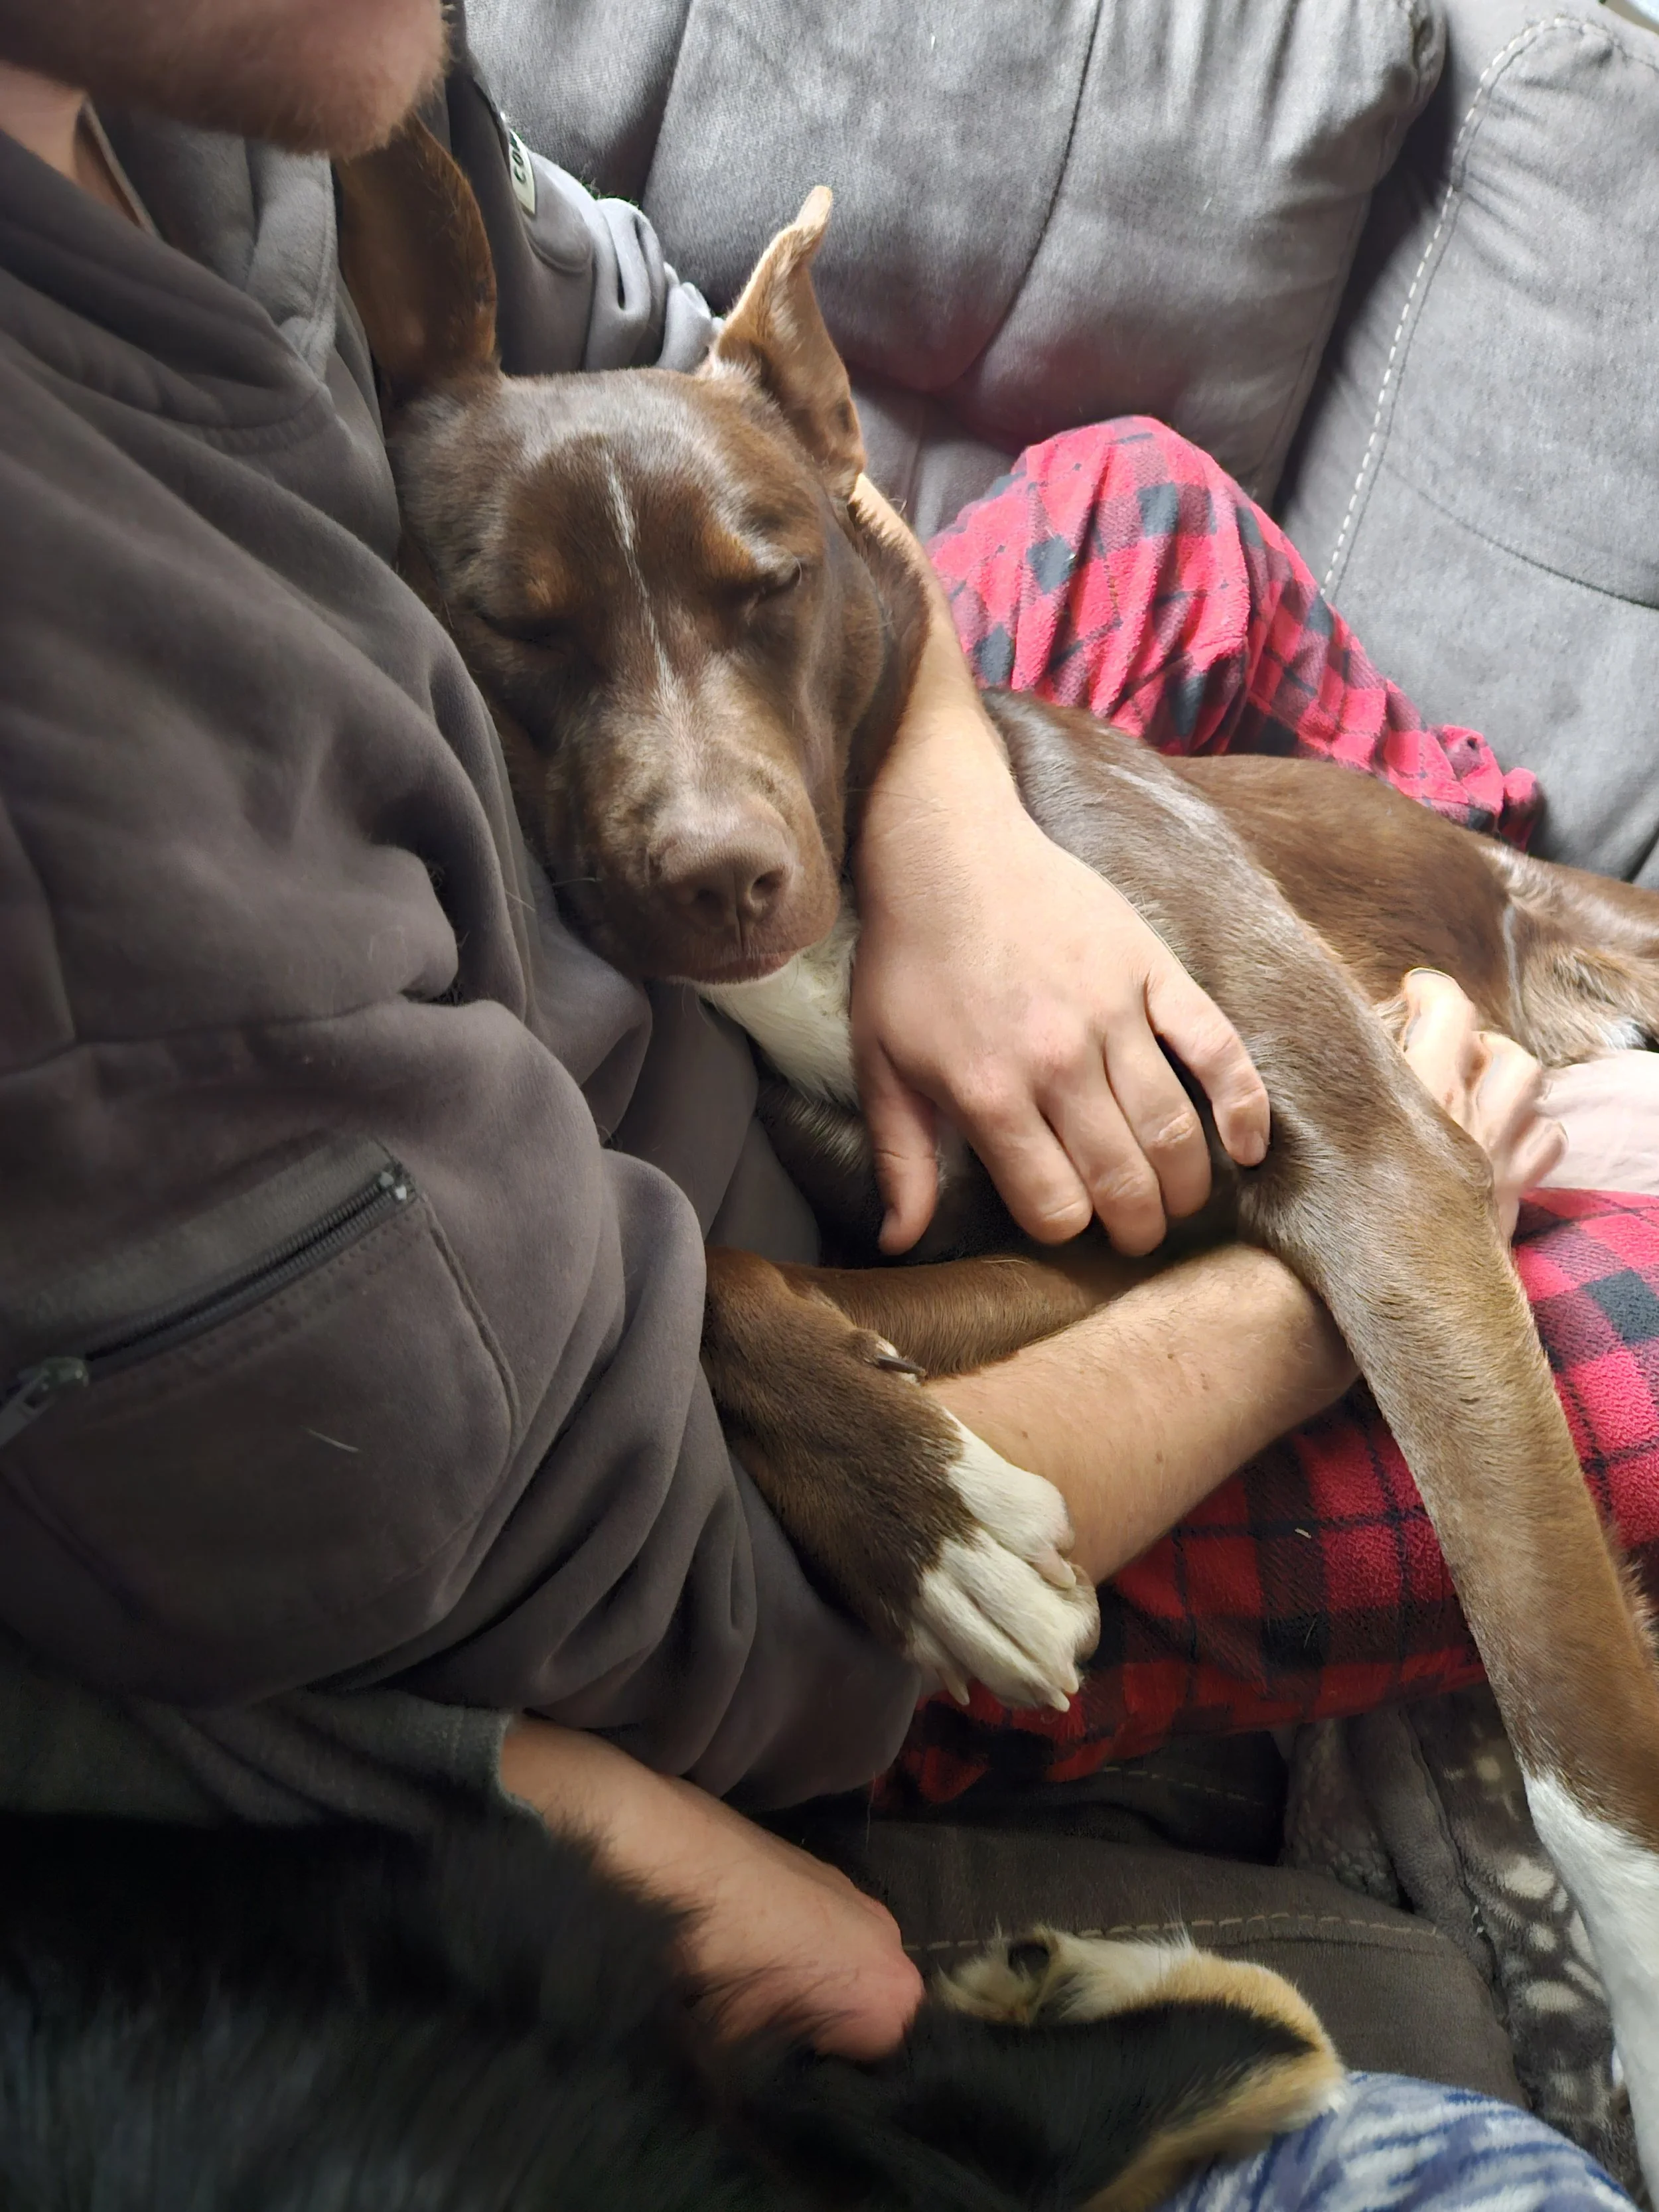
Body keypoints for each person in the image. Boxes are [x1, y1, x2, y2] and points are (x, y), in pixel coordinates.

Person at [0, 0, 1650, 2099]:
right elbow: (705, 1594)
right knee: (1533, 1274)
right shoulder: (78, 852)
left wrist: (961, 850)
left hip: (767, 975)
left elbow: (695, 371)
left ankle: (1468, 889)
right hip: (872, 1471)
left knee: (1140, 505)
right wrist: (1355, 1236)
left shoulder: (266, 89)